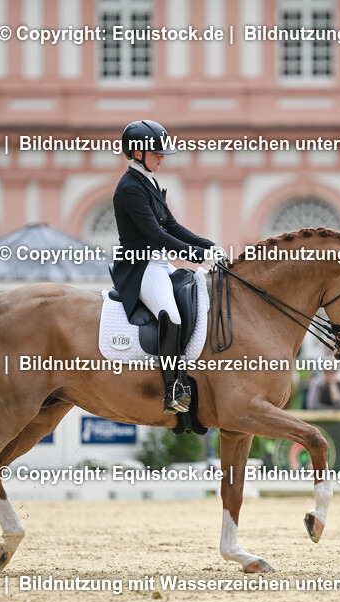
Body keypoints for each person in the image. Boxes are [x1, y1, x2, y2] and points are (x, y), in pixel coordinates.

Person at [111, 120, 222, 414]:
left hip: (159, 263)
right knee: (169, 315)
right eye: (157, 152)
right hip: (140, 266)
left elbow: (171, 225)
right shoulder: (129, 188)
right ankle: (173, 388)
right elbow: (156, 236)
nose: (162, 157)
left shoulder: (148, 181)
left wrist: (207, 244)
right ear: (137, 153)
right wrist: (197, 256)